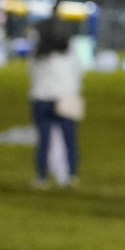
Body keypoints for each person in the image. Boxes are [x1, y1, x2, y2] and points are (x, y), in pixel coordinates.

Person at [28, 17, 83, 189]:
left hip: (42, 98)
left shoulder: (38, 52)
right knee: (70, 140)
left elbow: (32, 74)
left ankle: (42, 177)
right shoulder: (70, 51)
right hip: (67, 97)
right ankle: (71, 175)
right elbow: (79, 72)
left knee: (44, 140)